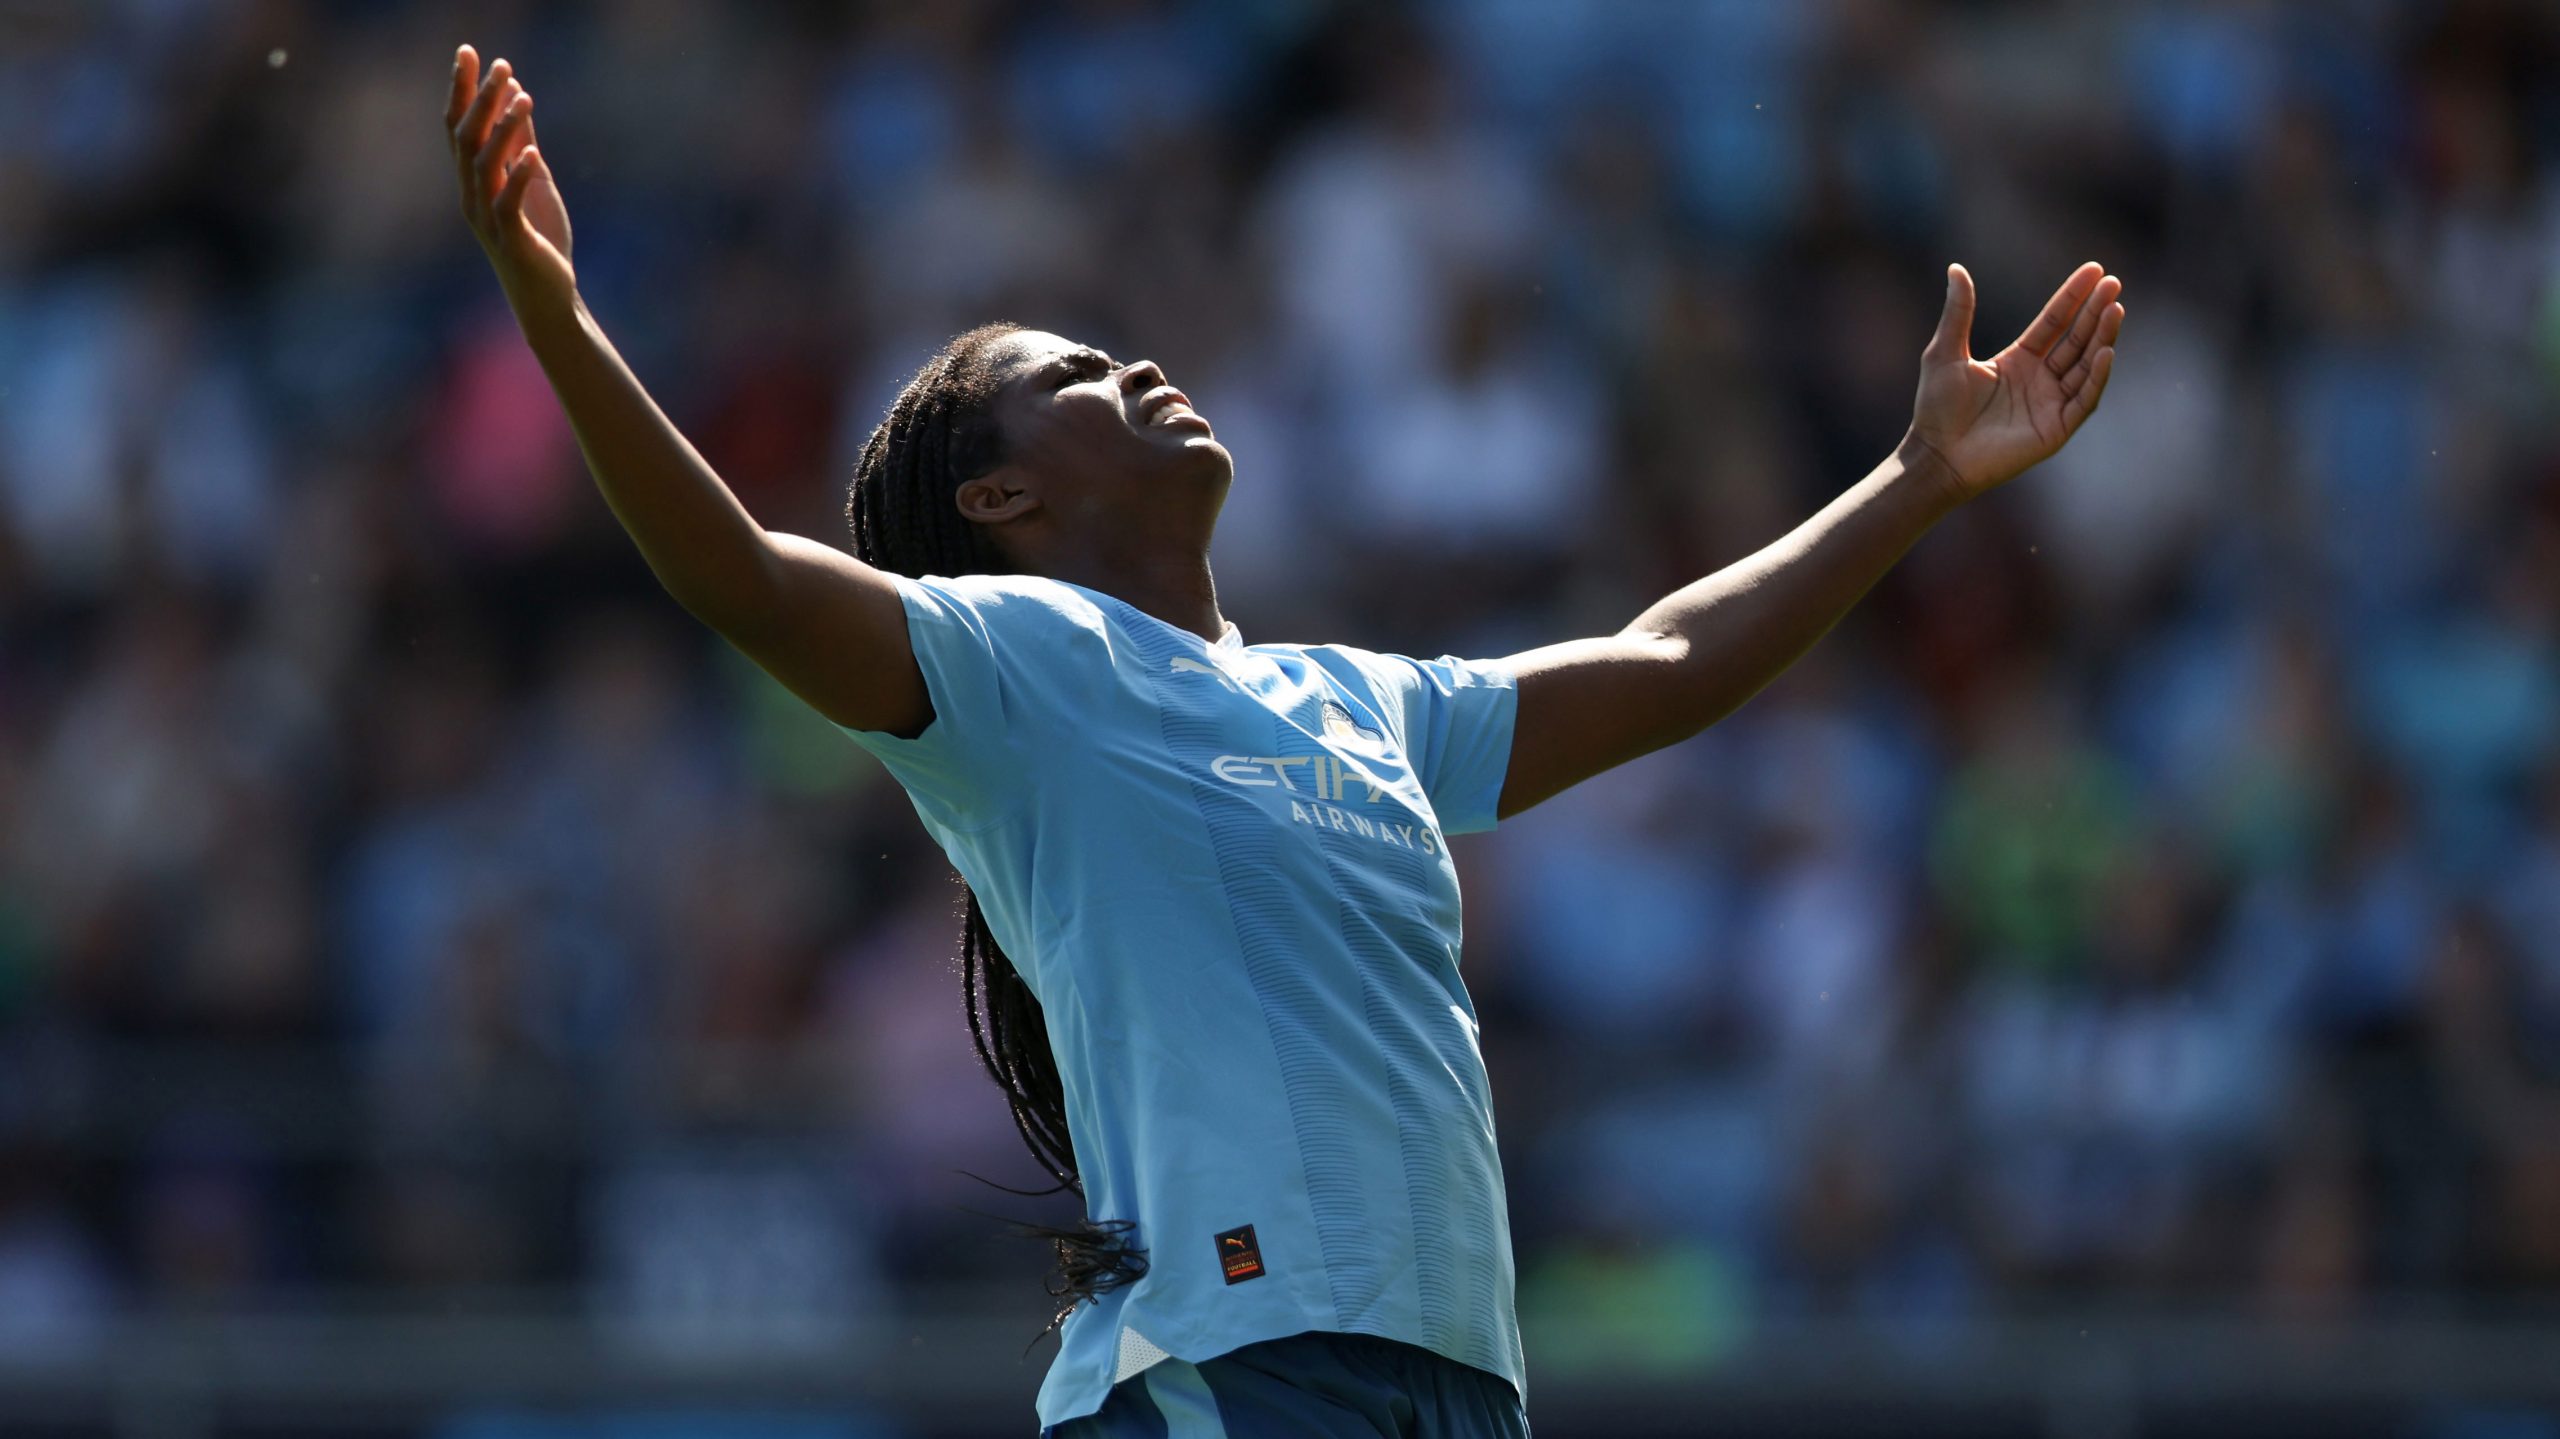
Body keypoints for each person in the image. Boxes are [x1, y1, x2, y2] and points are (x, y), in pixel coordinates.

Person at [443, 43, 2124, 1438]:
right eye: (1077, 373)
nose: (1140, 364)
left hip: (1457, 1383)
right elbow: (736, 575)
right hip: (1233, 1381)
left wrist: (1918, 482)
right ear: (1003, 497)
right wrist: (557, 318)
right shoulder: (1021, 670)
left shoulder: (1361, 698)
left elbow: (1667, 654)